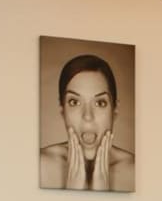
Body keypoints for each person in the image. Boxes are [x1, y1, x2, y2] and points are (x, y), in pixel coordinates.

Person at [39, 53, 135, 191]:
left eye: (100, 103)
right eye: (75, 102)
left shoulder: (136, 171)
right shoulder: (39, 165)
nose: (88, 116)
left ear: (115, 109)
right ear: (62, 110)